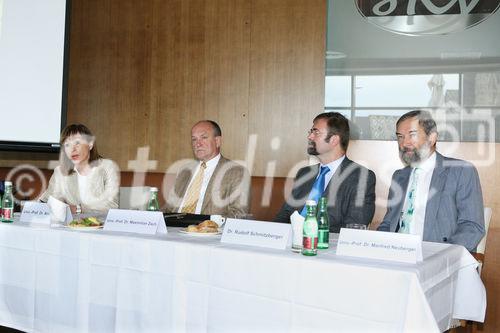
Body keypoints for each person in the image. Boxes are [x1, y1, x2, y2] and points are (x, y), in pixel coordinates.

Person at [377, 110, 485, 251]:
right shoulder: (399, 176)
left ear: (432, 138)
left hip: (439, 258)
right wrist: (376, 246)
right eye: (400, 137)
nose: (404, 143)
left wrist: (440, 257)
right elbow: (388, 223)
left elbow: (472, 227)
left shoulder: (461, 171)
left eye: (412, 135)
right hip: (398, 255)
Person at [274, 112, 376, 232]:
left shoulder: (361, 177)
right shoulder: (304, 173)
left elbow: (354, 226)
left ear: (334, 140)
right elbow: (285, 214)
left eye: (316, 132)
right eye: (310, 132)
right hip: (293, 242)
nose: (310, 137)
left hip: (326, 246)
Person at [166, 120, 250, 218]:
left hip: (209, 230)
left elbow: (239, 214)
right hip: (174, 228)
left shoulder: (237, 172)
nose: (198, 144)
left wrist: (206, 226)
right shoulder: (184, 170)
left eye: (204, 137)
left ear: (217, 141)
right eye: (194, 139)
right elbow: (169, 208)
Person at [40, 124, 120, 214]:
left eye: (77, 143)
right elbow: (46, 201)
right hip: (69, 226)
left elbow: (112, 205)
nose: (72, 149)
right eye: (67, 145)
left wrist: (79, 209)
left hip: (100, 225)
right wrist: (30, 207)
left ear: (90, 144)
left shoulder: (108, 167)